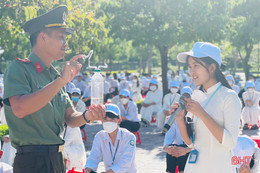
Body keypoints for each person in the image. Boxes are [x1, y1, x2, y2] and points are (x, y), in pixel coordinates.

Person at [3, 6, 105, 173]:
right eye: (61, 37)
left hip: (57, 159)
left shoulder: (54, 75)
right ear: (43, 37)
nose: (66, 43)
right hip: (32, 162)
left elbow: (70, 118)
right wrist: (61, 81)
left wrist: (88, 115)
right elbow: (20, 109)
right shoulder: (19, 69)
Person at [175, 42, 242, 173]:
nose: (191, 71)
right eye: (189, 66)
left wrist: (202, 113)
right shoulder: (196, 96)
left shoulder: (229, 97)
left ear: (212, 67)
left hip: (218, 167)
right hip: (194, 167)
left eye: (196, 66)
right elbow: (191, 143)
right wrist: (179, 119)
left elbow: (230, 143)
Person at [85, 104, 137, 173]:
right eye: (105, 118)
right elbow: (94, 156)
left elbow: (126, 162)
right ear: (101, 120)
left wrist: (109, 172)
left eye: (112, 119)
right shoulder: (99, 136)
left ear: (119, 120)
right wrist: (88, 169)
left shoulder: (129, 137)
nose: (108, 122)